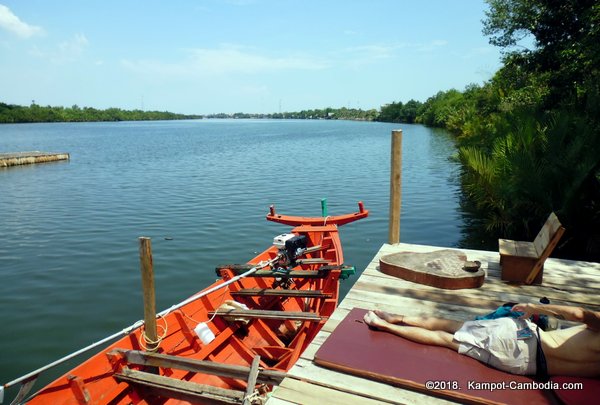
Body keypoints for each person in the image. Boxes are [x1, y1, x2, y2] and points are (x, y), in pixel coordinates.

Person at [363, 303, 600, 377]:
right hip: (522, 367)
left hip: (522, 339)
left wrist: (534, 307)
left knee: (450, 328)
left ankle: (387, 321)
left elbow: (578, 314)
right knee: (448, 338)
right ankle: (388, 321)